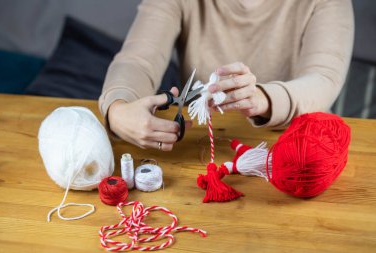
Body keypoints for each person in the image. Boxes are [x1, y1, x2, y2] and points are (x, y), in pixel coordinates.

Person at [99, 0, 354, 151]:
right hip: (206, 147)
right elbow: (137, 59)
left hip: (300, 148)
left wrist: (262, 98)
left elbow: (323, 78)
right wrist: (118, 109)